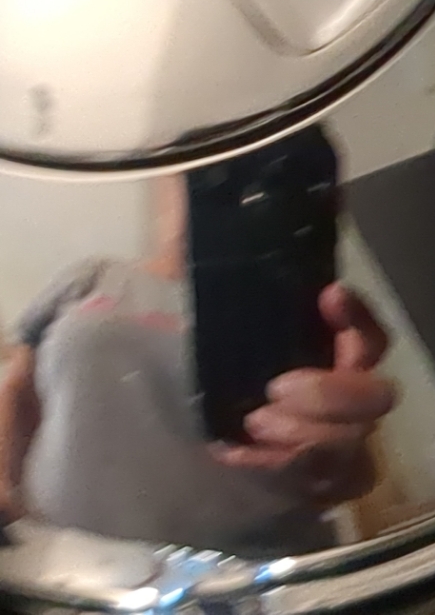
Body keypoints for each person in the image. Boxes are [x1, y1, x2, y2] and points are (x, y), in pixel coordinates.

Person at [0, 175, 393, 555]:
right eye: (202, 170)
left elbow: (347, 464)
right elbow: (16, 387)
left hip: (249, 574)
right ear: (159, 183)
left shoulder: (292, 303)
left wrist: (338, 462)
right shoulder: (93, 276)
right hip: (64, 565)